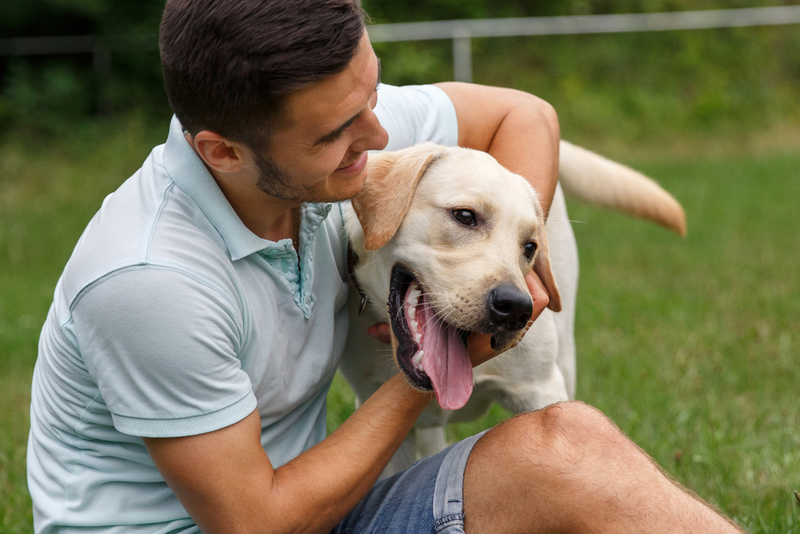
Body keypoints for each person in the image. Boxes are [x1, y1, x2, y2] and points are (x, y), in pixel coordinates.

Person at [27, 0, 743, 532]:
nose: (377, 137)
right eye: (341, 132)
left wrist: (511, 266)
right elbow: (258, 523)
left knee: (567, 443)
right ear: (222, 151)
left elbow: (526, 116)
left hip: (319, 514)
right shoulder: (150, 279)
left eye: (372, 97)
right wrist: (432, 357)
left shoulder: (324, 146)